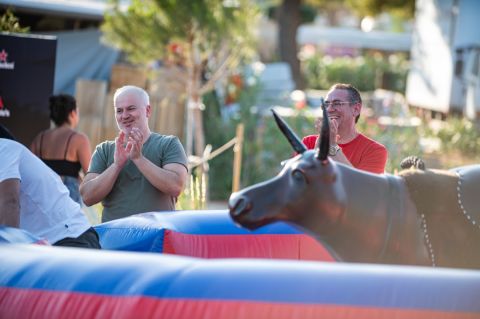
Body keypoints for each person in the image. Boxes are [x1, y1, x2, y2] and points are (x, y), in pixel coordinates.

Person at [80, 85, 188, 223]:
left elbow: (176, 186)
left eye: (131, 108)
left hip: (155, 237)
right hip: (114, 238)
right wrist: (116, 165)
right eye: (119, 111)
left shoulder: (168, 144)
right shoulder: (105, 150)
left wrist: (139, 159)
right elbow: (87, 197)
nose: (124, 115)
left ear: (148, 111)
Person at [0, 138, 100, 248]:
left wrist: (9, 254)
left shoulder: (4, 148)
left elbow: (10, 202)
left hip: (69, 237)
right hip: (42, 244)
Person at [303, 83, 387, 174]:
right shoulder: (308, 142)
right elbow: (298, 180)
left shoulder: (374, 151)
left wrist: (331, 145)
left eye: (337, 103)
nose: (329, 109)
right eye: (326, 104)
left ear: (356, 109)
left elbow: (361, 185)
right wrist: (320, 144)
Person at [30, 94, 91, 204]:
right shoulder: (79, 139)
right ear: (72, 113)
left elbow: (28, 170)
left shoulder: (40, 138)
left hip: (42, 196)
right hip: (67, 199)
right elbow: (91, 173)